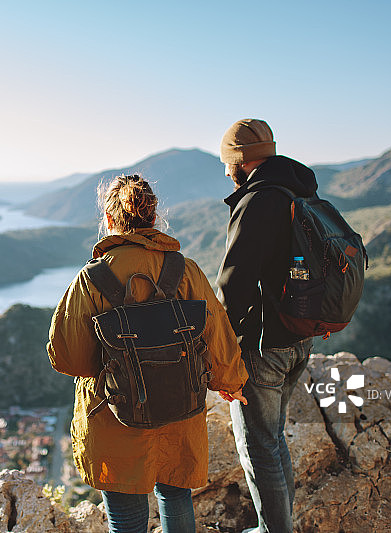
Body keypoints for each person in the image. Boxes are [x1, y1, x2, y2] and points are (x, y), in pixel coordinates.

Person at [47, 174, 248, 533]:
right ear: (154, 219)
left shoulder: (91, 279)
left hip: (117, 414)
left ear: (110, 221)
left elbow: (69, 358)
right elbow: (217, 330)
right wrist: (230, 382)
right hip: (179, 407)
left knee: (126, 518)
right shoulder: (184, 270)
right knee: (175, 496)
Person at [215, 119, 318, 533]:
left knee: (258, 445)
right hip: (300, 336)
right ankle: (278, 526)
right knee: (273, 441)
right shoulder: (299, 190)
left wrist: (220, 351)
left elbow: (233, 284)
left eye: (227, 162)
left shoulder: (259, 201)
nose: (226, 172)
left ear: (240, 160)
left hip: (264, 346)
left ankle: (274, 530)